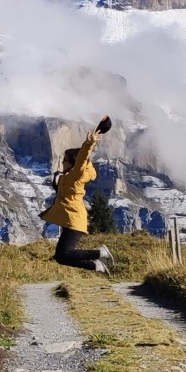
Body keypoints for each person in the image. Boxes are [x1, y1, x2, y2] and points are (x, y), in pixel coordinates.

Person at [40, 115, 114, 273]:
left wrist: (89, 143)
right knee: (61, 256)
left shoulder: (76, 176)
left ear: (72, 163)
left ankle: (100, 254)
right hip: (70, 219)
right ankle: (96, 265)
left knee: (64, 254)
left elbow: (81, 160)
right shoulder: (68, 177)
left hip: (74, 219)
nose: (62, 162)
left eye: (65, 160)